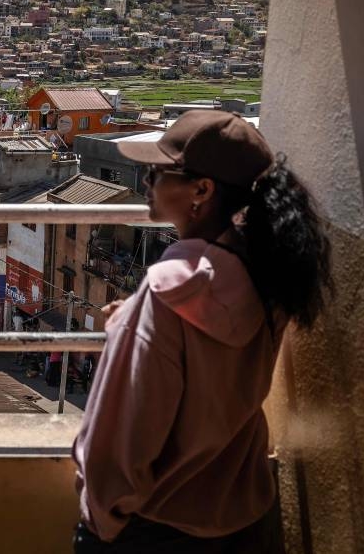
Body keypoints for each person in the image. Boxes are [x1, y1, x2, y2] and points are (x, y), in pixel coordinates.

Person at [73, 110, 332, 552]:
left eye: (157, 172)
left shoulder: (168, 295)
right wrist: (133, 318)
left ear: (201, 189)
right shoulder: (266, 272)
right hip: (238, 518)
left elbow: (116, 444)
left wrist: (101, 522)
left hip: (155, 527)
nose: (146, 183)